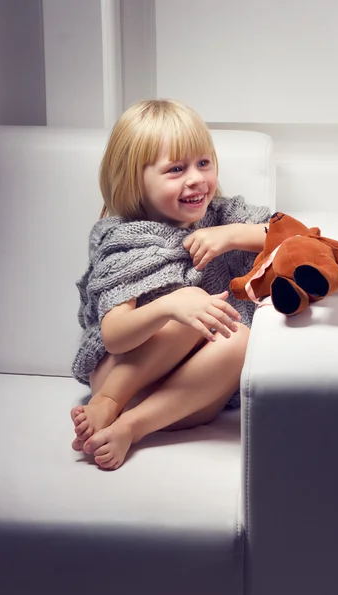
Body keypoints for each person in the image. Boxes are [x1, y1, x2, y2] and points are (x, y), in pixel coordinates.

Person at [71, 99, 270, 470]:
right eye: (176, 169)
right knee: (190, 300)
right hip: (121, 380)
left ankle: (130, 428)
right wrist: (169, 306)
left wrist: (234, 235)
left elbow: (296, 238)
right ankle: (110, 407)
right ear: (135, 180)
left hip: (184, 398)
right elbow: (114, 336)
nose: (195, 178)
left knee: (239, 336)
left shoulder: (224, 216)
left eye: (203, 163)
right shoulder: (125, 238)